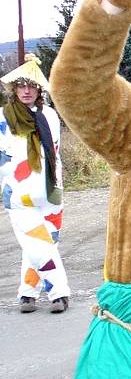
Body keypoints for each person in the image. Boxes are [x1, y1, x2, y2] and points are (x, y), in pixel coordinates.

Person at [0, 54, 70, 313]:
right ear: (14, 89)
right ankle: (59, 293)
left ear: (39, 89)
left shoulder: (49, 115)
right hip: (20, 196)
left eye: (31, 85)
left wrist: (58, 187)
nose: (26, 91)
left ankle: (27, 293)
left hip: (50, 193)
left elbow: (55, 152)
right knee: (39, 245)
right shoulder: (3, 119)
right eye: (21, 86)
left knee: (40, 245)